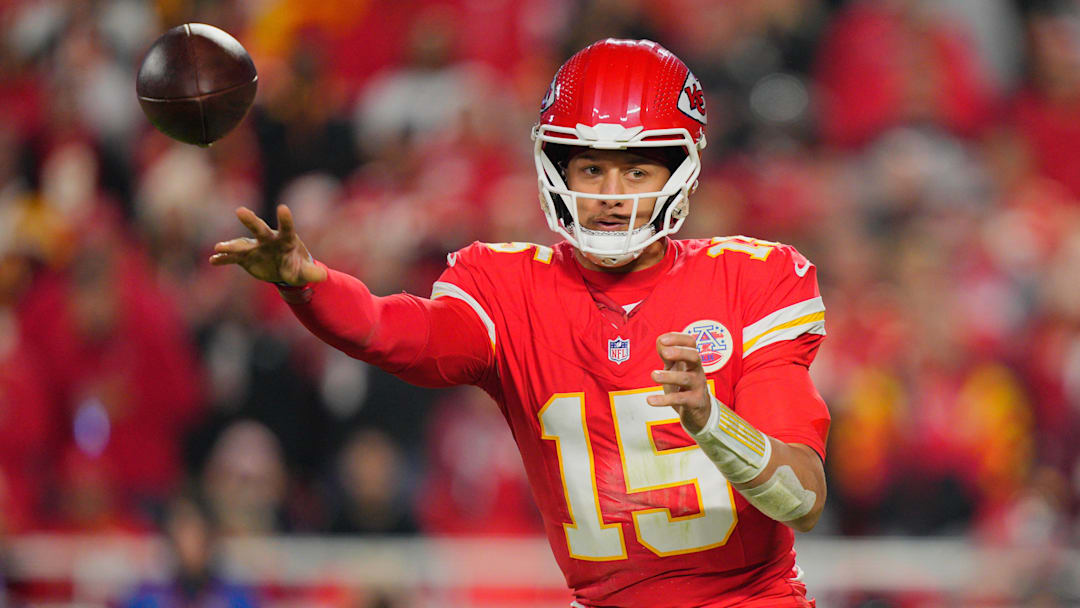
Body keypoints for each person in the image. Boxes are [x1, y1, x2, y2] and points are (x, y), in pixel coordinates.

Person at [211, 38, 830, 608]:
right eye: (591, 169)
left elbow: (801, 500)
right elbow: (397, 333)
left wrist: (710, 421)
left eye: (636, 169)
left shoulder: (752, 279)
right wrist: (310, 284)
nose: (612, 194)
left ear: (680, 172)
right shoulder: (510, 288)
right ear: (556, 169)